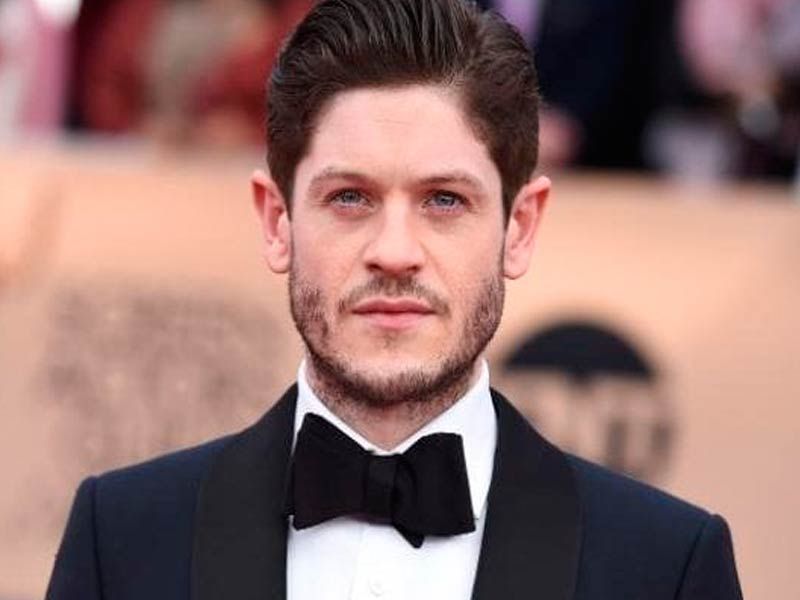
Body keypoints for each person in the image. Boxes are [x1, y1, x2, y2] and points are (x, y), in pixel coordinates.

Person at [46, 1, 744, 598]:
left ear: (520, 228)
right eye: (350, 197)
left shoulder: (665, 567)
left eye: (444, 200)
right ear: (277, 221)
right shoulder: (123, 539)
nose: (395, 250)